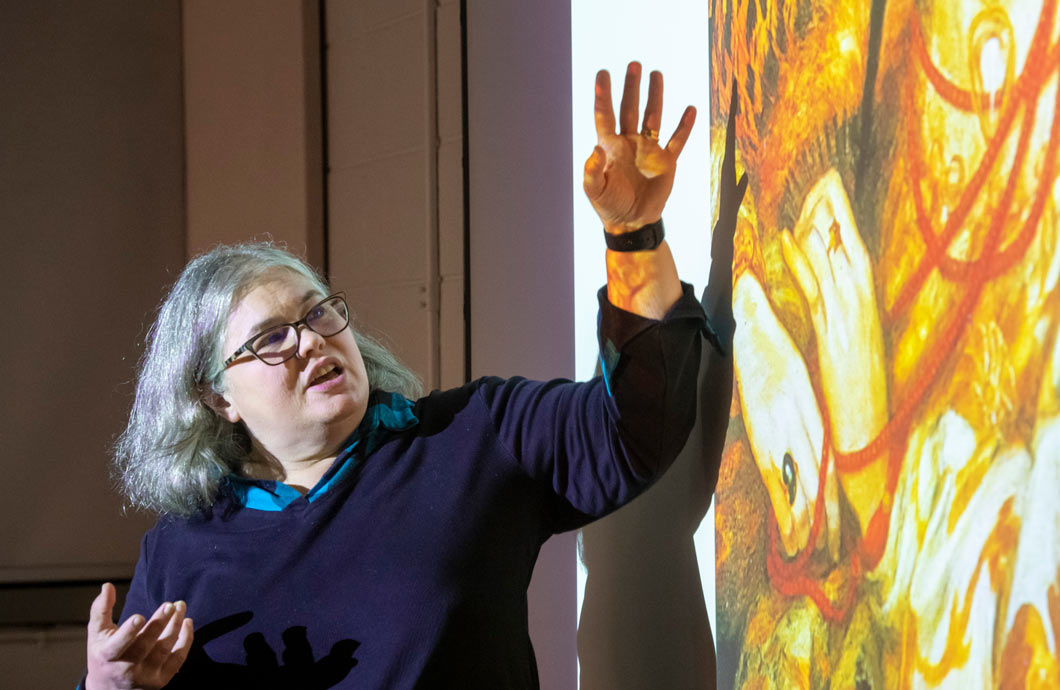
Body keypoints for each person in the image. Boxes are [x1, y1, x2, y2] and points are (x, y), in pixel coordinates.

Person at [81, 62, 708, 689]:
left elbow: (635, 428)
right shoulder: (179, 552)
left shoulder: (473, 438)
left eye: (318, 311)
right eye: (272, 338)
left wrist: (633, 237)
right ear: (217, 397)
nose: (310, 339)